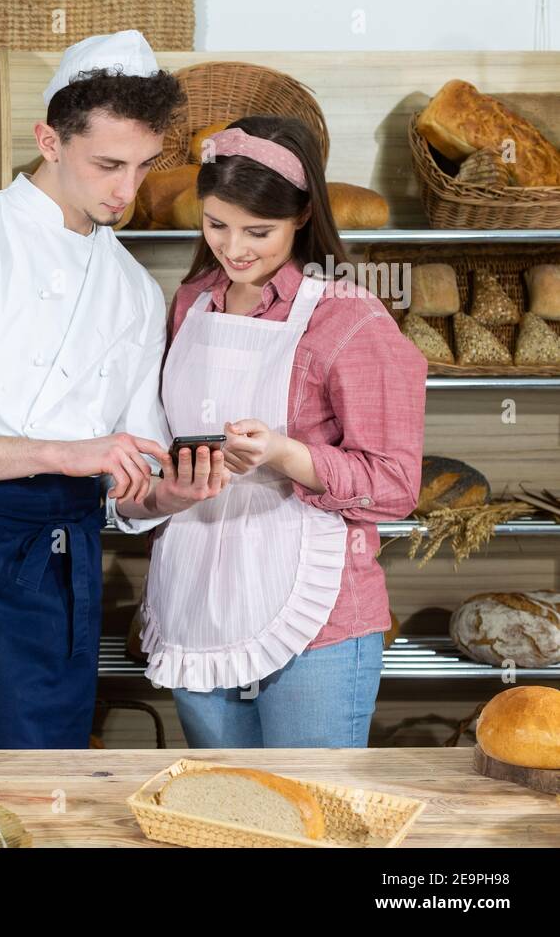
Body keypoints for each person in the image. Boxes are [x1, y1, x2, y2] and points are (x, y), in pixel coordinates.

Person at [0, 31, 230, 749]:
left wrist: (168, 494)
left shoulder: (130, 288)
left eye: (143, 165)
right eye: (107, 165)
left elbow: (125, 482)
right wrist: (65, 452)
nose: (127, 191)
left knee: (50, 778)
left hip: (70, 574)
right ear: (49, 139)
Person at [140, 115, 427, 748]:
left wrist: (284, 453)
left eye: (258, 231)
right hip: (197, 594)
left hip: (315, 613)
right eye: (216, 225)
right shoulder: (192, 301)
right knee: (221, 822)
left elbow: (398, 484)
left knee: (311, 822)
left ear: (301, 218)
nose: (234, 248)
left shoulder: (349, 317)